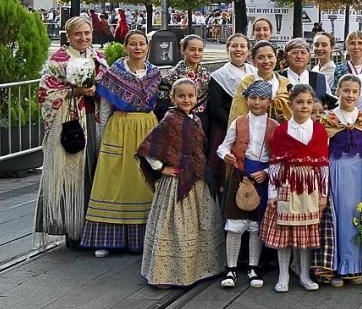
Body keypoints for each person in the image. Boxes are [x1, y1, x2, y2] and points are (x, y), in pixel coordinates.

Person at [137, 79, 225, 287]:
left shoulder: (195, 119)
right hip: (177, 182)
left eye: (190, 96)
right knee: (176, 224)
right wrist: (161, 168)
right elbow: (148, 148)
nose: (186, 100)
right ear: (173, 98)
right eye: (182, 96)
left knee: (200, 222)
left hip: (198, 177)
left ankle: (201, 269)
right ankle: (168, 273)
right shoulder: (170, 119)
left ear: (196, 98)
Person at [82, 31, 161, 256]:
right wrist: (102, 134)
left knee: (144, 180)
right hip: (120, 127)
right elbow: (105, 107)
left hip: (147, 126)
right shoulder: (114, 73)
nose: (138, 48)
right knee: (112, 180)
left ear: (147, 47)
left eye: (142, 44)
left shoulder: (154, 73)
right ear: (125, 46)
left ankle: (146, 236)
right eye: (133, 44)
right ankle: (106, 239)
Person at [35, 16, 106, 246]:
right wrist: (74, 93)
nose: (83, 38)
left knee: (94, 170)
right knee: (70, 173)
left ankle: (93, 227)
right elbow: (45, 93)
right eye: (78, 34)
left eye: (87, 33)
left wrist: (97, 90)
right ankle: (71, 228)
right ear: (68, 36)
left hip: (93, 121)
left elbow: (108, 85)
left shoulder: (98, 57)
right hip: (70, 122)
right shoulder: (58, 60)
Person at [261, 84, 328, 293]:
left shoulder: (319, 130)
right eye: (299, 102)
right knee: (286, 233)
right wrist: (272, 193)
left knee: (306, 234)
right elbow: (275, 164)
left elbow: (323, 164)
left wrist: (324, 193)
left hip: (310, 186)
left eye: (308, 102)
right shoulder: (282, 131)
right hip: (288, 183)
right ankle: (283, 275)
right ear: (291, 105)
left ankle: (305, 274)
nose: (304, 106)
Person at [318, 75, 362, 286]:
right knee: (340, 216)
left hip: (359, 170)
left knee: (357, 214)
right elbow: (322, 149)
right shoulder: (329, 120)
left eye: (354, 91)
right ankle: (338, 266)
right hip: (338, 168)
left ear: (360, 94)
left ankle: (356, 266)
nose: (350, 95)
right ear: (337, 91)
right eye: (346, 91)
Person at [218, 79, 276, 290]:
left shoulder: (275, 126)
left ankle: (254, 266)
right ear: (247, 99)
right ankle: (231, 268)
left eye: (261, 99)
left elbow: (278, 157)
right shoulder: (238, 122)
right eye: (253, 98)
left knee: (255, 225)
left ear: (269, 102)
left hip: (261, 177)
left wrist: (268, 172)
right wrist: (226, 156)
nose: (257, 103)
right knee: (235, 223)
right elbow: (223, 146)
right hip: (240, 174)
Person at [207, 34, 253, 197]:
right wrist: (237, 128)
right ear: (228, 49)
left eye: (242, 46)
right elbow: (216, 108)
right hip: (226, 129)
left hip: (254, 128)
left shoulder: (254, 73)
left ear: (248, 51)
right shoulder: (219, 76)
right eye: (234, 46)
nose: (238, 50)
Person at [230, 42, 292, 124]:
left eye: (270, 57)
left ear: (276, 58)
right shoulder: (246, 83)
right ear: (253, 61)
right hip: (252, 130)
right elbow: (238, 113)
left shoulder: (285, 83)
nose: (266, 61)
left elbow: (292, 111)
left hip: (281, 131)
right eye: (261, 57)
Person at [155, 35, 210, 122]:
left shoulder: (205, 73)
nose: (196, 53)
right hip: (178, 120)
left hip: (202, 119)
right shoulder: (172, 75)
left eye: (200, 50)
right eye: (192, 50)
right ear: (183, 50)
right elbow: (162, 103)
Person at [333, 32, 362, 111]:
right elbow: (336, 93)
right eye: (352, 43)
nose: (356, 47)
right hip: (346, 111)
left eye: (360, 43)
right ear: (347, 46)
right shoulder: (340, 69)